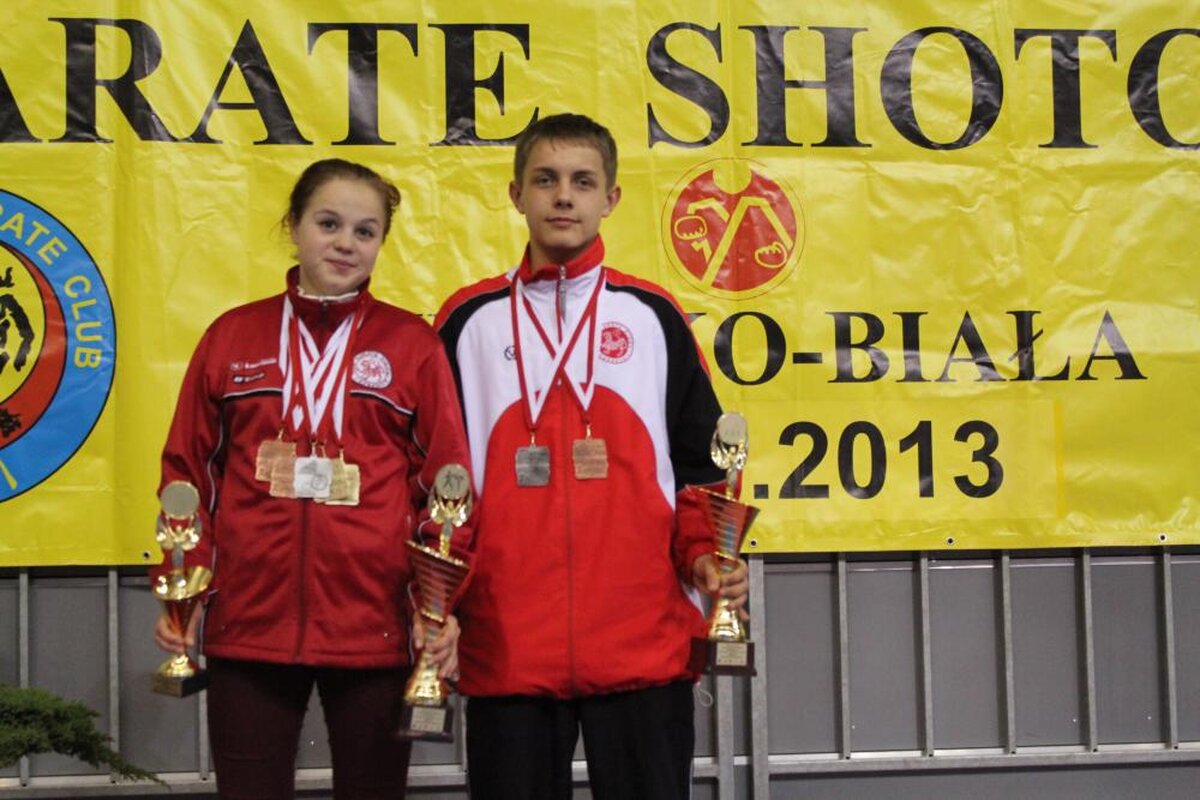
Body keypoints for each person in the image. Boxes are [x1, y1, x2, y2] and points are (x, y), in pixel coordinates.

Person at [435, 113, 750, 799]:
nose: (563, 196)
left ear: (611, 198)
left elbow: (703, 467)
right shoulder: (467, 321)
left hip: (640, 640)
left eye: (582, 182)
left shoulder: (652, 315)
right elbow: (436, 482)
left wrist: (706, 554)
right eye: (545, 180)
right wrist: (439, 603)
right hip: (508, 642)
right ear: (516, 194)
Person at [153, 158, 471, 800]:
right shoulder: (232, 336)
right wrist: (186, 584)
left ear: (380, 242)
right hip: (251, 621)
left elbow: (446, 485)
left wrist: (435, 606)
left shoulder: (411, 344)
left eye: (365, 231)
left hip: (375, 624)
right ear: (293, 226)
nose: (346, 243)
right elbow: (189, 472)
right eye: (329, 224)